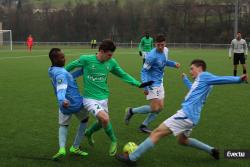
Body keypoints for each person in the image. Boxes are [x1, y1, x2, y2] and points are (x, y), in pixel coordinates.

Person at [116, 59, 247, 165]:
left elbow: (220, 79)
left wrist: (238, 80)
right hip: (193, 119)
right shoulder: (202, 83)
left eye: (192, 69)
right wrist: (185, 80)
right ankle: (212, 150)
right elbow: (192, 89)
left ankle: (132, 158)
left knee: (156, 133)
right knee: (182, 140)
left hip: (185, 115)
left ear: (200, 68)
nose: (191, 71)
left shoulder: (205, 76)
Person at [65, 39, 153, 156]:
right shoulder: (86, 59)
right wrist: (59, 76)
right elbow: (69, 67)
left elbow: (123, 74)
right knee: (105, 119)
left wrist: (138, 84)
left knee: (102, 123)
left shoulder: (111, 62)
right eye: (109, 55)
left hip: (104, 97)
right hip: (89, 98)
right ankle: (113, 140)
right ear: (101, 51)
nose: (110, 57)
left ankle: (89, 133)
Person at [125, 34, 180, 133]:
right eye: (158, 45)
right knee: (154, 108)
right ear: (155, 44)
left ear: (165, 44)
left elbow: (164, 61)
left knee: (160, 108)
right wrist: (145, 86)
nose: (160, 47)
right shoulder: (151, 56)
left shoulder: (166, 50)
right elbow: (144, 71)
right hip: (151, 83)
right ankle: (131, 111)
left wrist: (173, 64)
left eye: (162, 45)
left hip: (160, 81)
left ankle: (143, 126)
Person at [48, 48, 89, 161]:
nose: (64, 58)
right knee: (84, 120)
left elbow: (68, 77)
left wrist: (81, 71)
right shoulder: (61, 73)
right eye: (62, 57)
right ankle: (75, 147)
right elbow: (61, 87)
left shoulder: (52, 70)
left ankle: (62, 149)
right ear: (55, 59)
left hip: (64, 107)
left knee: (63, 125)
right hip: (75, 103)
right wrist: (62, 99)